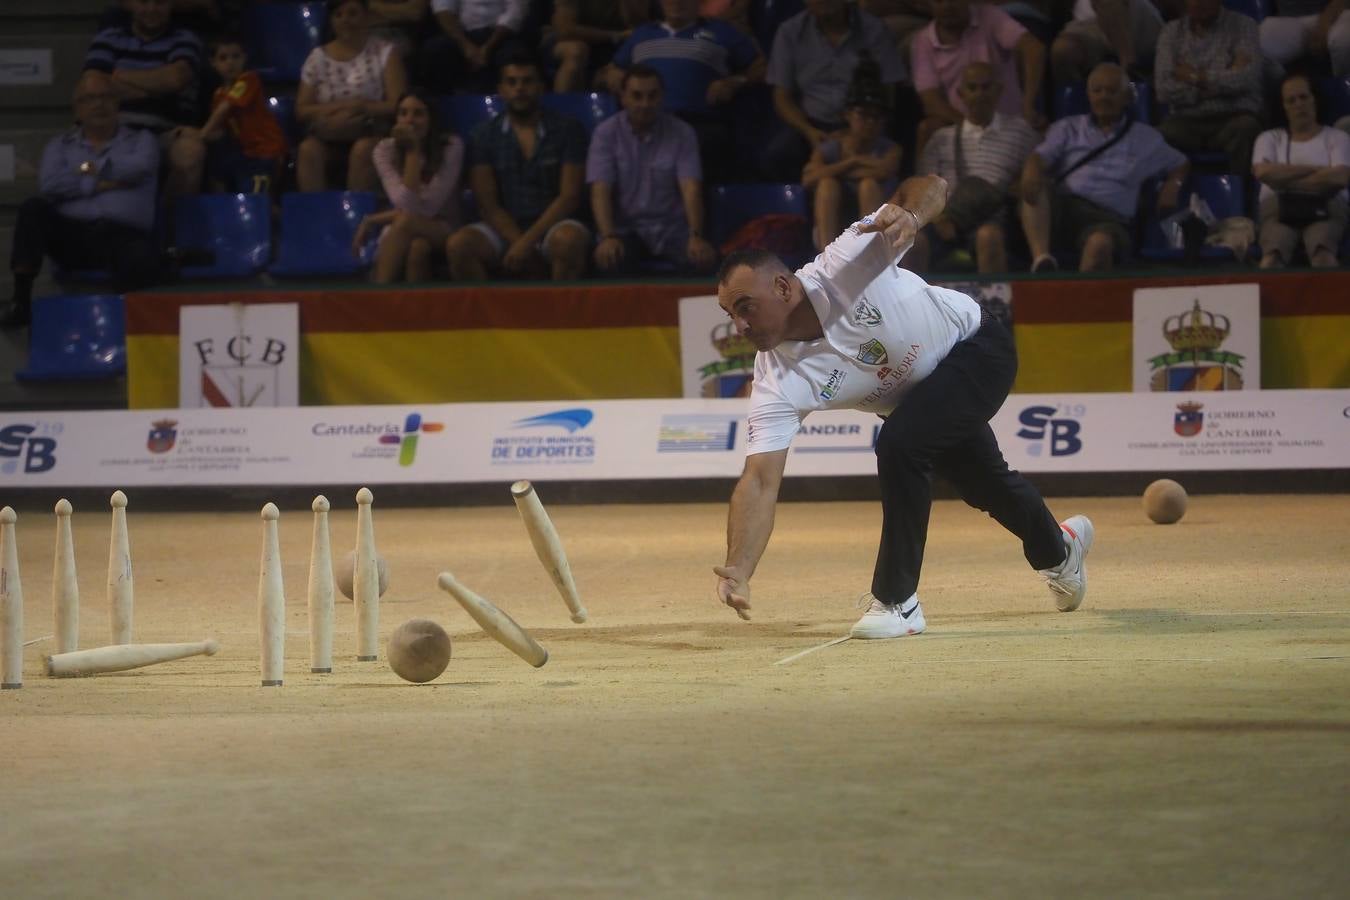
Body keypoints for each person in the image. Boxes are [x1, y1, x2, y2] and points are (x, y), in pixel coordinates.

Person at [710, 175, 1093, 639]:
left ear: (785, 288)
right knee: (987, 486)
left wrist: (912, 215)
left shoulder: (846, 261)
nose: (739, 325)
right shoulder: (775, 378)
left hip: (974, 347)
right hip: (917, 399)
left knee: (901, 444)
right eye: (731, 315)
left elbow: (931, 185)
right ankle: (1061, 550)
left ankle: (897, 601)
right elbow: (760, 479)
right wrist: (740, 566)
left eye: (746, 307)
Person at [2, 72, 161, 328]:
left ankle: (127, 327)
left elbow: (140, 167)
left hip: (123, 236)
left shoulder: (142, 141)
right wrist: (108, 179)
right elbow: (51, 184)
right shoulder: (59, 146)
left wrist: (84, 171)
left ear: (117, 103)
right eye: (90, 98)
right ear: (77, 109)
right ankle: (21, 301)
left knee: (141, 257)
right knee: (33, 208)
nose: (99, 104)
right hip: (73, 236)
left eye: (106, 97)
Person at [1020, 62, 1189, 272]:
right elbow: (1039, 158)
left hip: (1107, 218)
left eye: (1111, 91)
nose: (1103, 97)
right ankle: (1042, 260)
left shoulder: (1146, 138)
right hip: (1064, 209)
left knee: (1100, 244)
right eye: (1097, 91)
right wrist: (1031, 172)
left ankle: (1082, 301)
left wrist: (1173, 184)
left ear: (1127, 97)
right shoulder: (1067, 128)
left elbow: (1180, 163)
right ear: (1088, 95)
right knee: (1033, 188)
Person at [445, 56, 591, 281]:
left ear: (541, 87)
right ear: (501, 89)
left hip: (553, 224)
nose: (519, 88)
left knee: (568, 240)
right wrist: (518, 241)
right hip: (503, 228)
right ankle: (488, 316)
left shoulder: (568, 129)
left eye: (527, 81)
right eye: (512, 82)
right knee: (459, 245)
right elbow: (488, 204)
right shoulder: (483, 135)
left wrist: (527, 242)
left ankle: (562, 315)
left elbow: (569, 197)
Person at [606, 0, 764, 181]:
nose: (677, 3)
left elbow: (761, 67)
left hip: (698, 123)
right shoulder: (642, 34)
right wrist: (612, 72)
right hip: (645, 122)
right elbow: (611, 69)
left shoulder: (722, 32)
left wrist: (735, 81)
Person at [587, 65, 718, 275]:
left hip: (672, 229)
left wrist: (696, 236)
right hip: (624, 230)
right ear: (623, 97)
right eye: (637, 96)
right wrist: (608, 237)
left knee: (702, 259)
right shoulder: (605, 133)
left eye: (652, 96)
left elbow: (691, 189)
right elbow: (600, 192)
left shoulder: (682, 132)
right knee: (609, 259)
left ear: (662, 97)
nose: (645, 104)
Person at [910, 60, 1038, 273]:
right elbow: (924, 188)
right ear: (961, 94)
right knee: (914, 242)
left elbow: (1041, 166)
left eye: (986, 87)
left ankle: (991, 307)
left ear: (998, 91)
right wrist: (938, 217)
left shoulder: (1020, 132)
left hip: (993, 218)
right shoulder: (942, 138)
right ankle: (913, 306)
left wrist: (1029, 173)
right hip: (944, 216)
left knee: (989, 236)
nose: (980, 94)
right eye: (972, 88)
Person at [760, 0, 906, 183]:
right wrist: (808, 131)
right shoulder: (789, 32)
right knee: (777, 154)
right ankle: (798, 208)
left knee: (882, 159)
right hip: (811, 124)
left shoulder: (874, 30)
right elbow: (782, 96)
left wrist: (858, 129)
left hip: (863, 121)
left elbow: (888, 89)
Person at [83, 0, 205, 200]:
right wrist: (156, 87)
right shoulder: (108, 38)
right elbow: (93, 85)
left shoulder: (184, 39)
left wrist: (118, 76)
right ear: (130, 4)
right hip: (113, 132)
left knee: (191, 151)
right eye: (143, 2)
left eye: (159, 3)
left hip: (164, 133)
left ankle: (168, 227)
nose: (151, 9)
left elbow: (175, 79)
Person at [354, 90, 466, 283]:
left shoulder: (452, 146)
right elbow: (406, 205)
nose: (409, 120)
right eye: (403, 113)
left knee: (405, 223)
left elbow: (426, 209)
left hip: (445, 226)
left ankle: (377, 296)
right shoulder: (384, 150)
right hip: (404, 225)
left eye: (418, 114)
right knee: (418, 248)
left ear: (431, 119)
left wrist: (412, 151)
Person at [296, 0, 408, 192]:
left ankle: (358, 219)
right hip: (329, 134)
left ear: (367, 16)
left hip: (373, 132)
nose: (345, 20)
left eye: (352, 13)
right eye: (338, 15)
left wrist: (362, 108)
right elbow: (301, 109)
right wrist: (342, 110)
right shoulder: (317, 57)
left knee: (363, 150)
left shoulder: (385, 52)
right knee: (308, 150)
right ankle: (316, 218)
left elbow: (398, 104)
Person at [911, 0, 1046, 152]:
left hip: (1008, 121)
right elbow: (930, 101)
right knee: (928, 128)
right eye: (939, 1)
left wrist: (1028, 104)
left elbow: (1034, 49)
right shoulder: (923, 41)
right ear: (928, 4)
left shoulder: (989, 15)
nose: (948, 5)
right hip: (959, 123)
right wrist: (970, 127)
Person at [1154, 0, 1263, 177]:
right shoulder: (1171, 32)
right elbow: (1163, 90)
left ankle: (1242, 197)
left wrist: (1193, 76)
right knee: (1155, 137)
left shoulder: (1244, 25)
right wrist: (1223, 78)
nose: (1198, 3)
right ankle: (1169, 195)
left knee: (1247, 128)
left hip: (1232, 117)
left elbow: (1246, 79)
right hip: (1186, 121)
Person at [1252, 74, 1350, 269]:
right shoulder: (1269, 138)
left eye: (1304, 97)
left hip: (1327, 207)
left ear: (1315, 99)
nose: (1299, 104)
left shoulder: (1337, 137)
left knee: (1322, 253)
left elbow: (1340, 177)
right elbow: (1263, 173)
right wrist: (1316, 170)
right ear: (1284, 107)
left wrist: (1283, 181)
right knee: (1273, 255)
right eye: (1291, 100)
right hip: (1278, 208)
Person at [801, 59, 901, 249]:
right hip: (834, 221)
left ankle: (869, 251)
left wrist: (835, 170)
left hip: (879, 222)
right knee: (827, 184)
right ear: (848, 115)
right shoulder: (831, 147)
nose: (870, 123)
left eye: (876, 117)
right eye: (863, 115)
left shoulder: (890, 148)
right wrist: (853, 162)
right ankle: (826, 257)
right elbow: (808, 178)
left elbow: (885, 170)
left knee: (868, 184)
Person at [200, 36, 288, 194]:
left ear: (244, 58)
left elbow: (225, 109)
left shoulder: (249, 79)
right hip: (244, 153)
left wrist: (202, 134)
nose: (230, 62)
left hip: (266, 151)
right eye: (223, 58)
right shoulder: (218, 94)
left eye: (235, 56)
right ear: (213, 63)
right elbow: (220, 130)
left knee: (257, 199)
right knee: (216, 168)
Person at [419, 0, 530, 94]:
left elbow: (516, 11)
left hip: (502, 35)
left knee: (515, 55)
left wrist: (488, 47)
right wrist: (465, 45)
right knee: (435, 50)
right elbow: (442, 8)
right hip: (462, 35)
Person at [1050, 0, 1164, 85]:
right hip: (1088, 26)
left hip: (1135, 18)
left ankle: (1129, 70)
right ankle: (1086, 102)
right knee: (1062, 50)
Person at [550, 0, 654, 93]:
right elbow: (565, 31)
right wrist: (614, 36)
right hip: (571, 45)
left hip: (617, 48)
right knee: (576, 51)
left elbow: (639, 26)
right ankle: (560, 110)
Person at [1260, 0, 1350, 78]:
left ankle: (1343, 89)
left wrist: (1325, 23)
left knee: (1344, 40)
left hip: (1336, 15)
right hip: (1289, 19)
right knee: (1260, 41)